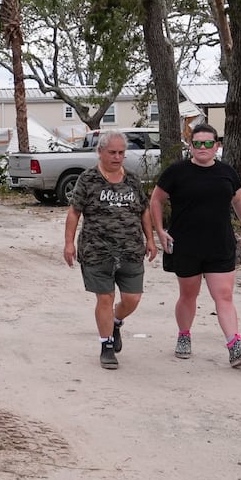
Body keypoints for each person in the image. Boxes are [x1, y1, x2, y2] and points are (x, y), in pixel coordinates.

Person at [149, 123, 241, 368]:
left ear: (216, 146)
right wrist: (160, 230)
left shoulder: (227, 172)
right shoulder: (176, 172)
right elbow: (156, 199)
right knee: (189, 295)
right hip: (185, 244)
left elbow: (239, 200)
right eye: (197, 143)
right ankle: (184, 335)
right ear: (190, 147)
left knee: (224, 295)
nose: (202, 147)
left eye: (208, 143)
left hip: (220, 244)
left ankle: (235, 347)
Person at [63, 130, 156, 369]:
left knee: (132, 298)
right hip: (97, 250)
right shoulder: (88, 179)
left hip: (130, 250)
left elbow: (144, 210)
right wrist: (69, 243)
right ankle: (106, 345)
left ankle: (116, 321)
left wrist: (150, 239)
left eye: (121, 153)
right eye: (112, 152)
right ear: (100, 152)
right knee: (105, 297)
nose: (117, 157)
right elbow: (74, 211)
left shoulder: (133, 180)